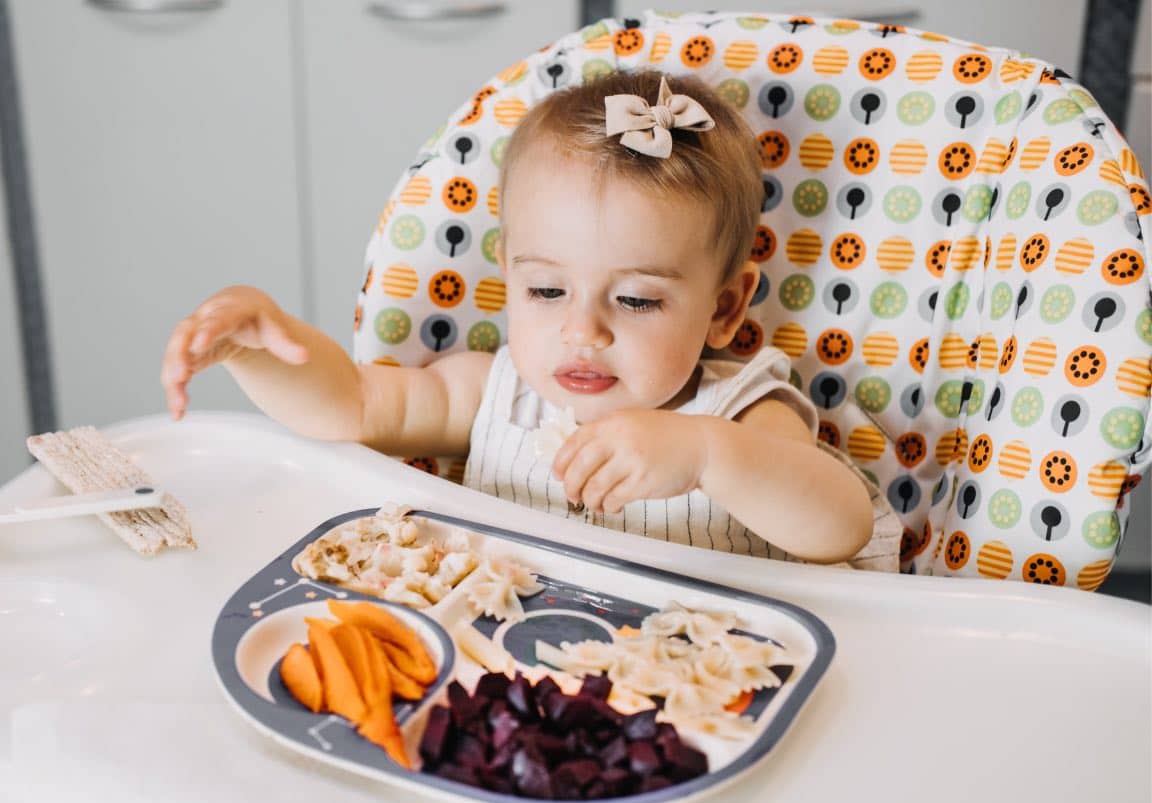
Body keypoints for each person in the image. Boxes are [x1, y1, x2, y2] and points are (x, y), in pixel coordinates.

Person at [161, 70, 901, 569]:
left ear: (725, 307)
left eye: (637, 300)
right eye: (548, 291)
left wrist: (707, 454)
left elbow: (841, 525)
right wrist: (257, 348)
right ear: (509, 270)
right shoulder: (497, 391)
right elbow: (354, 405)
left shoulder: (743, 414)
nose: (583, 331)